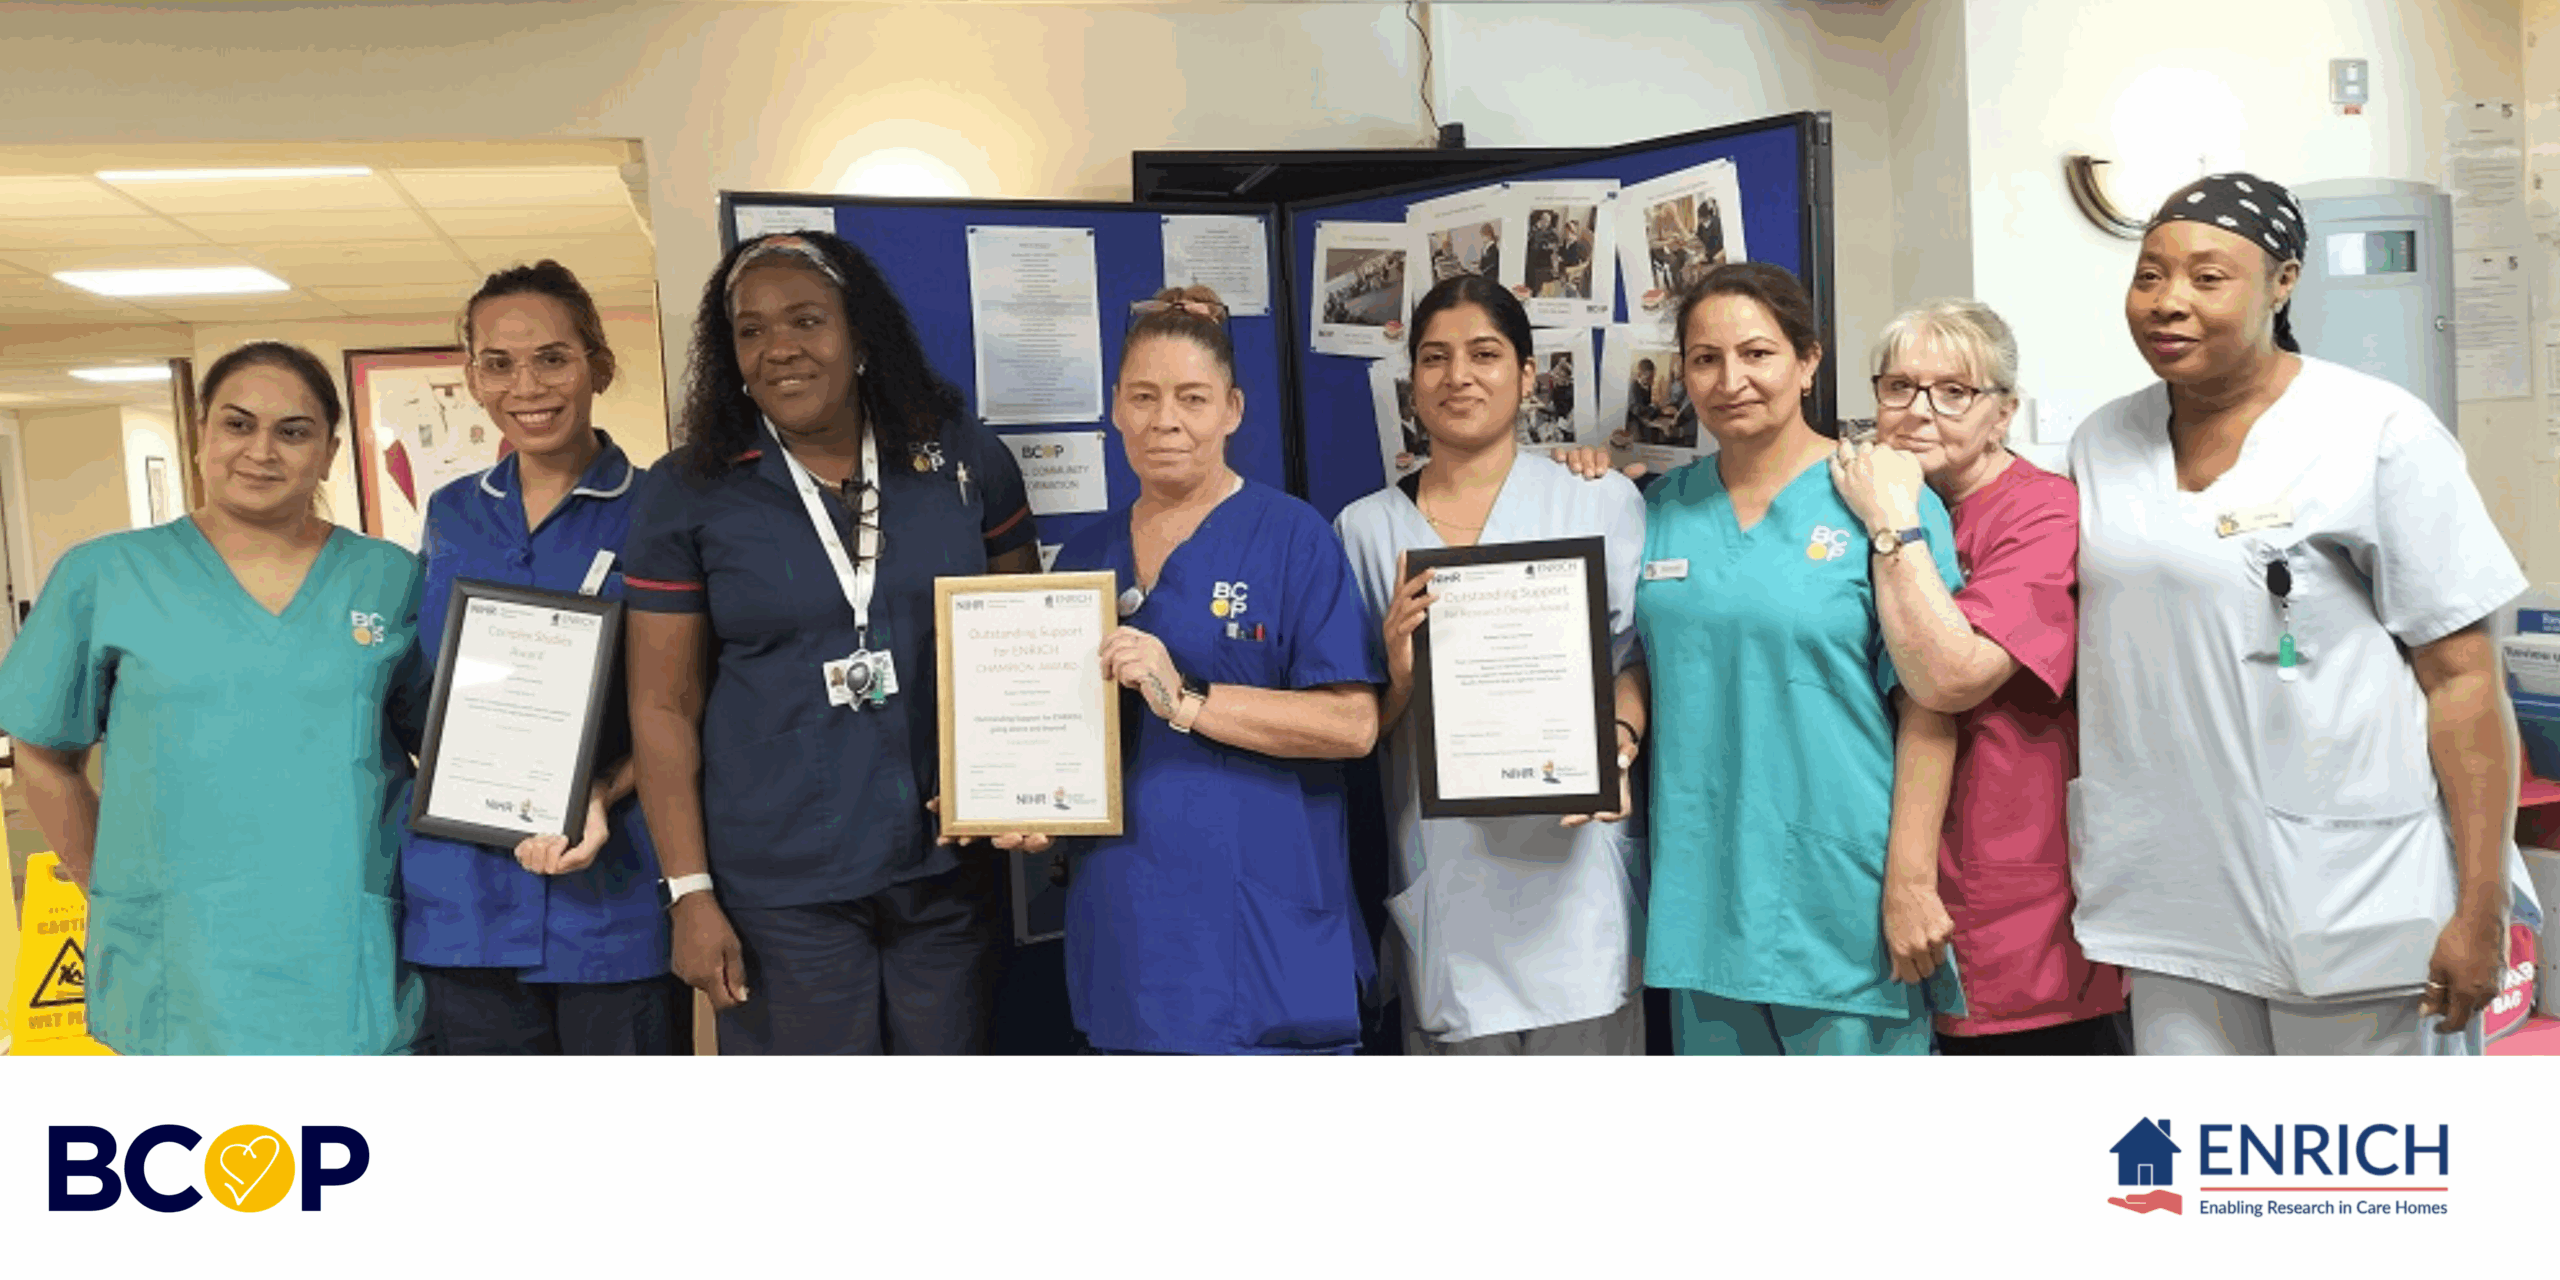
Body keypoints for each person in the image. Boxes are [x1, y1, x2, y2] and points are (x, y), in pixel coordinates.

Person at [2068, 173, 2538, 1055]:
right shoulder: (2102, 442)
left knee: (2362, 1184)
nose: (2168, 303)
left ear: (2283, 281)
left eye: (2209, 278)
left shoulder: (2376, 431)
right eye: (2149, 275)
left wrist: (2482, 909)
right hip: (2171, 895)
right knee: (2214, 1181)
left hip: (2355, 896)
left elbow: (2466, 684)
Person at [623, 231, 1038, 1055]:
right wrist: (690, 894)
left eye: (807, 320)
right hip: (778, 885)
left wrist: (1023, 785)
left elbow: (1022, 639)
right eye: (750, 330)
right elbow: (662, 705)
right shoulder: (691, 489)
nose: (779, 347)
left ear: (859, 335)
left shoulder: (958, 455)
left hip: (945, 874)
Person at [0, 342, 425, 1053]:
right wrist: (111, 886)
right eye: (237, 424)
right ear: (200, 435)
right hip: (178, 954)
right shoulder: (105, 575)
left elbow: (441, 746)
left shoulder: (388, 577)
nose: (261, 450)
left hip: (344, 946)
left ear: (329, 451)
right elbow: (43, 754)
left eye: (293, 431)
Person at [1625, 263, 1965, 1055]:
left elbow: (1931, 703)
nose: (1730, 379)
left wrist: (1911, 882)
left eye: (1757, 353)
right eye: (1704, 359)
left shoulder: (1880, 498)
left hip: (1841, 895)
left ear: (1808, 361)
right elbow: (1653, 659)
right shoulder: (1659, 511)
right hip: (1703, 900)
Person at [1039, 286, 1383, 1054]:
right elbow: (1061, 734)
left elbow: (1353, 725)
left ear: (1231, 409)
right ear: (1116, 410)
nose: (1166, 420)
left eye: (1192, 398)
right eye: (1144, 397)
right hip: (1130, 928)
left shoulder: (1293, 537)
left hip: (1262, 924)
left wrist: (1186, 696)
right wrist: (1027, 804)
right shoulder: (1085, 557)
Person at [1334, 274, 1648, 1054]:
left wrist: (1618, 743)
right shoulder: (1367, 530)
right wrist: (1403, 678)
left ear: (1529, 374)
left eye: (1484, 354)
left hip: (1575, 878)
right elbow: (1359, 720)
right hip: (1451, 885)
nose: (1458, 376)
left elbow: (1634, 662)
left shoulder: (1598, 500)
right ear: (1412, 381)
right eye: (1435, 358)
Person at [398, 260, 692, 1055]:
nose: (526, 385)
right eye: (498, 363)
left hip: (611, 898)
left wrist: (599, 788)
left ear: (598, 362)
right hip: (463, 903)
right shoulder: (454, 514)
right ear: (473, 377)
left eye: (553, 358)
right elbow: (425, 686)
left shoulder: (662, 508)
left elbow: (694, 693)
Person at [1828, 299, 2129, 1054]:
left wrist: (1895, 523)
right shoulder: (1854, 497)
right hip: (1864, 874)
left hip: (2010, 902)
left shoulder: (2042, 513)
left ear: (2003, 414)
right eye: (1898, 387)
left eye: (1954, 392)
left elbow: (1949, 677)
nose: (1919, 411)